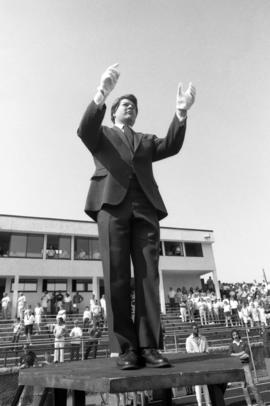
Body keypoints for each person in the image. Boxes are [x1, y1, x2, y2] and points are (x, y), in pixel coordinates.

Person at [77, 63, 196, 370]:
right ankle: (127, 348)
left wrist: (181, 113)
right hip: (111, 207)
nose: (130, 108)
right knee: (116, 274)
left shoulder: (144, 140)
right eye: (125, 105)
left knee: (147, 275)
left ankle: (149, 346)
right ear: (114, 111)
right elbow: (84, 129)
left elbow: (170, 145)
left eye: (134, 107)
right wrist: (102, 91)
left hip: (145, 209)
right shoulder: (101, 134)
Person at [229, 329, 263, 406]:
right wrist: (241, 354)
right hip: (239, 368)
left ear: (238, 335)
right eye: (234, 335)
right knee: (244, 387)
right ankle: (249, 404)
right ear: (232, 336)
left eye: (236, 334)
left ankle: (260, 403)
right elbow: (230, 354)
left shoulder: (244, 343)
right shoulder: (231, 345)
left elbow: (247, 354)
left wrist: (237, 355)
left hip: (246, 365)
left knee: (251, 385)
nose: (235, 336)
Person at [186, 324, 211, 406]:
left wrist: (204, 354)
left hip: (204, 363)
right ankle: (199, 404)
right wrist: (199, 354)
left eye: (196, 328)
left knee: (205, 384)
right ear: (191, 330)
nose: (195, 330)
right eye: (194, 328)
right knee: (197, 385)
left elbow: (207, 350)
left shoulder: (203, 338)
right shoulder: (188, 339)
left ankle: (208, 403)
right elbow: (189, 352)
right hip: (195, 364)